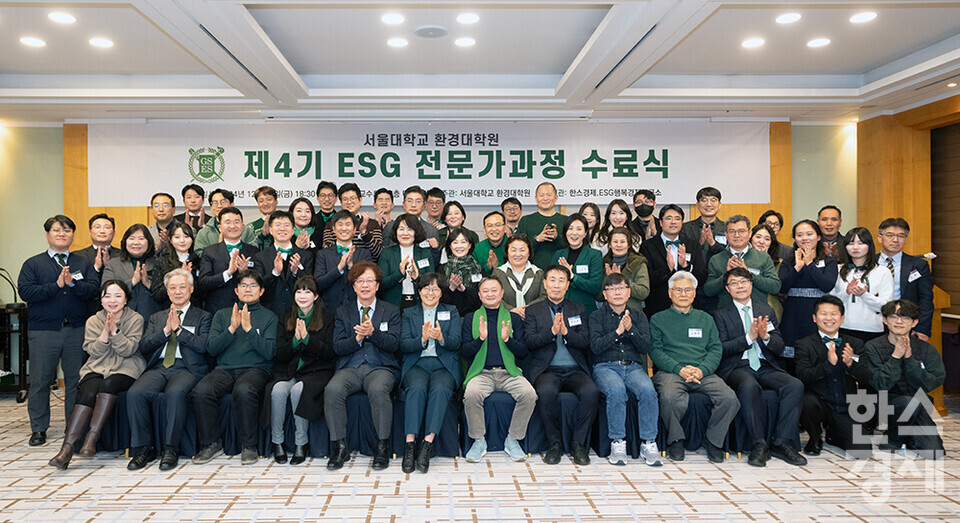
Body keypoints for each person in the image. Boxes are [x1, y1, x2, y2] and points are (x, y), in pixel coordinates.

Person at [19, 215, 100, 447]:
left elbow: (93, 289)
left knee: (75, 381)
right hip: (44, 331)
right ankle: (39, 428)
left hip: (76, 330)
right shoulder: (33, 264)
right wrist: (56, 286)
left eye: (67, 230)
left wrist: (73, 284)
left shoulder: (83, 262)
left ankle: (71, 427)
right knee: (40, 381)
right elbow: (27, 292)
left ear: (73, 235)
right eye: (56, 230)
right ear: (47, 234)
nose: (62, 234)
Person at [713, 268, 806, 467]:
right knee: (749, 385)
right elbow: (721, 349)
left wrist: (765, 337)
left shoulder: (766, 311)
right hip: (738, 366)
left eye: (743, 281)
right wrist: (749, 338)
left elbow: (779, 347)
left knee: (794, 385)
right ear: (728, 289)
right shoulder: (721, 315)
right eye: (734, 283)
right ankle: (759, 443)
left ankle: (781, 441)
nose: (740, 286)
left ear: (751, 284)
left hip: (765, 365)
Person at [49, 280, 144, 469]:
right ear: (101, 300)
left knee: (108, 385)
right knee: (88, 391)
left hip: (126, 367)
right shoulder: (93, 320)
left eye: (118, 296)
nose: (112, 300)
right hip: (97, 366)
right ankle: (66, 450)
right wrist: (104, 335)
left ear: (126, 300)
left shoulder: (136, 319)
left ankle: (92, 438)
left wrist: (115, 332)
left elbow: (128, 350)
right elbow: (93, 352)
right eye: (107, 295)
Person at [649, 271, 739, 463]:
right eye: (678, 290)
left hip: (702, 372)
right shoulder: (658, 319)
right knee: (670, 396)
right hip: (670, 372)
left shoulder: (706, 318)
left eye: (687, 290)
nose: (683, 294)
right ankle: (676, 440)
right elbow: (655, 352)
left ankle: (713, 440)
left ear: (695, 293)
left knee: (729, 398)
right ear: (669, 293)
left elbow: (715, 349)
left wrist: (702, 370)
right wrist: (679, 369)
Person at [126, 269, 211, 471]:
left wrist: (179, 331)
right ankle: (144, 448)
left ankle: (170, 449)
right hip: (159, 367)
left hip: (187, 369)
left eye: (182, 287)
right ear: (167, 291)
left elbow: (204, 346)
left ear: (191, 289)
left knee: (175, 393)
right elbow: (144, 346)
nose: (178, 291)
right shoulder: (157, 317)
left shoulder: (203, 316)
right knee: (135, 393)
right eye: (173, 288)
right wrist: (165, 331)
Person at [192, 270, 278, 466]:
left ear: (262, 291)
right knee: (201, 390)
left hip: (256, 369)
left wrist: (248, 330)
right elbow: (212, 349)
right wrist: (231, 329)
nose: (248, 289)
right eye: (243, 286)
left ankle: (249, 446)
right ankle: (211, 443)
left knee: (244, 389)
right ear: (236, 291)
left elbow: (269, 352)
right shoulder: (223, 315)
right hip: (225, 369)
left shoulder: (269, 317)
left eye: (253, 286)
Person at [325, 262, 401, 471]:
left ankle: (382, 447)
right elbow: (338, 347)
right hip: (351, 366)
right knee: (332, 389)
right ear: (354, 286)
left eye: (369, 281)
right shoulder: (343, 312)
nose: (365, 285)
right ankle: (340, 447)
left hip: (381, 368)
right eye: (360, 281)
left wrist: (373, 334)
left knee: (378, 390)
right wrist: (357, 338)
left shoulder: (391, 311)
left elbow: (394, 344)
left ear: (377, 286)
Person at [522, 265, 597, 465]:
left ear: (567, 285)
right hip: (547, 370)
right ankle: (554, 444)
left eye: (561, 280)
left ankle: (578, 444)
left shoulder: (578, 308)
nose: (556, 285)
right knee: (545, 392)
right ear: (544, 284)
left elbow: (584, 341)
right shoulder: (533, 310)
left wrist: (566, 333)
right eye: (552, 280)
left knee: (591, 392)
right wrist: (551, 333)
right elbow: (530, 342)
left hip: (574, 369)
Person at [589, 273, 660, 467]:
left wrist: (632, 330)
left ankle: (649, 442)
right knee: (616, 391)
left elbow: (645, 346)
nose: (617, 292)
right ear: (605, 294)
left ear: (629, 292)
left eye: (621, 288)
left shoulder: (638, 315)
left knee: (648, 391)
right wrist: (618, 332)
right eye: (612, 289)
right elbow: (595, 346)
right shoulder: (596, 316)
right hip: (605, 367)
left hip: (633, 367)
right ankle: (617, 442)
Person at [264, 276, 336, 465]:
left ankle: (300, 443)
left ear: (316, 296)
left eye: (307, 291)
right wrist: (295, 341)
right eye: (298, 291)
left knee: (298, 391)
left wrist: (307, 340)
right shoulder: (286, 316)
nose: (302, 295)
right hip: (289, 370)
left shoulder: (328, 319)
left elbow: (330, 352)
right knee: (278, 391)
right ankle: (277, 441)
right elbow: (280, 354)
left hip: (316, 371)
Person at [461, 277, 534, 462]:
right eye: (485, 291)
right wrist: (480, 339)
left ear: (502, 293)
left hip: (508, 372)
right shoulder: (471, 319)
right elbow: (465, 352)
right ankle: (479, 441)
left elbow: (524, 352)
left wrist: (508, 340)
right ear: (479, 295)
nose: (490, 294)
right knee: (471, 394)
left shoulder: (513, 318)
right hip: (482, 373)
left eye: (494, 290)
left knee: (529, 394)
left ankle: (513, 439)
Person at [864, 300, 945, 459]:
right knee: (910, 402)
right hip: (883, 404)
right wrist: (895, 357)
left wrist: (909, 359)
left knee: (934, 451)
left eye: (906, 317)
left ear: (915, 322)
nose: (899, 321)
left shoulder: (926, 349)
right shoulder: (872, 347)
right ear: (885, 320)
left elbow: (931, 382)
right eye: (894, 317)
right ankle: (892, 439)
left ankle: (906, 435)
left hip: (917, 404)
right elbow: (880, 384)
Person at [399, 273, 462, 473]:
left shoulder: (451, 311)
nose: (430, 292)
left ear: (441, 293)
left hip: (443, 365)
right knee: (416, 388)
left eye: (435, 289)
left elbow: (456, 342)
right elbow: (403, 344)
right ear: (419, 292)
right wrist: (422, 339)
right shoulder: (409, 313)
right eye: (426, 288)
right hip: (417, 364)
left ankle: (427, 444)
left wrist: (442, 338)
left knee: (440, 389)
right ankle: (410, 445)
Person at [795, 295, 872, 458]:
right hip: (818, 403)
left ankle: (833, 435)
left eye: (834, 314)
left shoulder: (855, 343)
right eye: (823, 314)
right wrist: (828, 365)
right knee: (803, 399)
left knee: (862, 450)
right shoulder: (804, 344)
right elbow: (803, 376)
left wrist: (851, 364)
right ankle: (815, 437)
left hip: (845, 405)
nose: (829, 318)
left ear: (842, 318)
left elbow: (866, 377)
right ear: (814, 318)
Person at [779, 220, 839, 361]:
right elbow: (781, 287)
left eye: (809, 234)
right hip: (792, 314)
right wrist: (797, 268)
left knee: (817, 358)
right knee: (791, 359)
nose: (804, 238)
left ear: (818, 237)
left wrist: (810, 264)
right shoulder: (788, 262)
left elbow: (827, 285)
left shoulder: (829, 261)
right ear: (795, 239)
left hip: (818, 314)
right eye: (799, 235)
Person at [703, 215, 780, 313]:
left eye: (741, 231)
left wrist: (749, 274)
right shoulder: (716, 259)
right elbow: (708, 290)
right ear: (726, 234)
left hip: (758, 314)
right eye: (732, 231)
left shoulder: (763, 257)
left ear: (749, 233)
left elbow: (775, 286)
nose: (737, 235)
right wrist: (726, 275)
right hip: (727, 315)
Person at [639, 204, 706, 318]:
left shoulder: (692, 245)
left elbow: (702, 277)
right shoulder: (647, 246)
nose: (673, 222)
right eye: (669, 218)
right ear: (660, 222)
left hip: (688, 307)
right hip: (658, 307)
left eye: (677, 219)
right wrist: (668, 269)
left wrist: (686, 266)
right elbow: (647, 280)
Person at [831, 227, 893, 342]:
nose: (855, 247)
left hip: (873, 329)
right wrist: (847, 292)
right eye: (850, 243)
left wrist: (864, 295)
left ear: (869, 245)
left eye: (860, 243)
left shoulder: (883, 271)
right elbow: (830, 301)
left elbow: (886, 307)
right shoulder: (837, 270)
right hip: (843, 327)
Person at [877, 218, 934, 340]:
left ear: (906, 239)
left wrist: (922, 328)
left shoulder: (918, 265)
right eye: (890, 235)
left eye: (901, 236)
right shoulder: (869, 262)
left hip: (905, 325)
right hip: (873, 323)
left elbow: (926, 298)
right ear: (880, 237)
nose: (895, 240)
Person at [252, 210, 314, 319]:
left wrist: (296, 272)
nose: (282, 229)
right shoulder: (260, 257)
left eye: (286, 225)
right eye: (278, 225)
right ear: (270, 230)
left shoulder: (306, 255)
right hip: (270, 313)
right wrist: (274, 273)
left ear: (292, 230)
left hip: (298, 312)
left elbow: (312, 286)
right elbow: (258, 286)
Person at [198, 207, 261, 314]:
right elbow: (203, 283)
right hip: (218, 311)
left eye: (236, 222)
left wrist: (245, 273)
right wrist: (228, 273)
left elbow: (261, 282)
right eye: (228, 222)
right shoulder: (209, 251)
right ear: (220, 227)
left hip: (248, 310)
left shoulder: (254, 251)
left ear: (242, 226)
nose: (232, 226)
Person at [314, 210, 374, 312]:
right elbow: (318, 284)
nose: (344, 228)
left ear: (355, 229)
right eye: (340, 225)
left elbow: (369, 284)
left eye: (348, 224)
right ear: (333, 228)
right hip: (329, 311)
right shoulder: (323, 254)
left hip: (357, 309)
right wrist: (339, 268)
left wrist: (351, 267)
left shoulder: (364, 254)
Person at [103, 223, 160, 318]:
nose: (136, 242)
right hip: (122, 318)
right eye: (132, 238)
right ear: (125, 241)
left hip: (152, 318)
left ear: (149, 242)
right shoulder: (113, 264)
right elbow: (105, 291)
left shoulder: (159, 262)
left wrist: (148, 284)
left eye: (141, 239)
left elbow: (166, 293)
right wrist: (132, 282)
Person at [550, 214, 603, 315]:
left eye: (579, 229)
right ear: (565, 232)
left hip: (585, 311)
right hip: (559, 310)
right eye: (570, 229)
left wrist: (572, 276)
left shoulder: (594, 255)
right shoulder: (558, 254)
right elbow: (550, 282)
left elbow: (595, 287)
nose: (574, 233)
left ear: (585, 233)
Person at [378, 213, 434, 309]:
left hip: (419, 303)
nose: (405, 233)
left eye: (410, 229)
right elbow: (381, 284)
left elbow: (432, 283)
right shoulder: (387, 253)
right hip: (393, 304)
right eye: (401, 229)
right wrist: (399, 274)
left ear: (416, 232)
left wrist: (417, 277)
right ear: (396, 231)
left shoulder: (425, 253)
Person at [321, 183, 383, 261]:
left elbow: (379, 253)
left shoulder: (372, 224)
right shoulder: (331, 224)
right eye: (345, 199)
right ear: (341, 202)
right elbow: (327, 250)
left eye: (352, 198)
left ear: (360, 200)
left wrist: (364, 233)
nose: (349, 202)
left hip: (366, 269)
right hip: (338, 268)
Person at [150, 221, 201, 309]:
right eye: (177, 237)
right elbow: (157, 295)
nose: (182, 241)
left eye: (186, 236)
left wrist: (190, 279)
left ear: (192, 239)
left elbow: (203, 294)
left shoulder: (199, 261)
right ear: (170, 240)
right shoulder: (161, 261)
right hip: (168, 310)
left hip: (194, 312)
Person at [493, 234, 546, 317]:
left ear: (529, 252)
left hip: (533, 319)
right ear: (507, 252)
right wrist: (511, 310)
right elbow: (493, 296)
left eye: (522, 250)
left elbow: (544, 296)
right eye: (513, 250)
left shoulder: (539, 273)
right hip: (505, 319)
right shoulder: (498, 273)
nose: (518, 254)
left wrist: (528, 309)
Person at [516, 182, 567, 269]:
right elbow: (517, 248)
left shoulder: (566, 220)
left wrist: (557, 237)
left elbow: (572, 249)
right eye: (541, 195)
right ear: (536, 198)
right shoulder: (526, 220)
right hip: (531, 274)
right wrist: (537, 239)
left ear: (556, 198)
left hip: (560, 274)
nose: (545, 198)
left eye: (549, 195)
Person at [600, 227, 650, 312]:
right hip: (608, 314)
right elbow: (599, 296)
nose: (619, 245)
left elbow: (643, 292)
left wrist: (621, 278)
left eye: (622, 242)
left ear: (629, 244)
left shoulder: (638, 262)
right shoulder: (604, 263)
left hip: (633, 313)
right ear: (610, 245)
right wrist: (608, 279)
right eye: (615, 242)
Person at [193, 189, 256, 256]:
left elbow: (254, 250)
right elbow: (199, 253)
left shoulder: (246, 230)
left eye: (223, 202)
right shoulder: (204, 233)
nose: (219, 206)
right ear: (211, 207)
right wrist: (219, 250)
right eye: (215, 202)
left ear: (232, 204)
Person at [440, 228, 483, 317]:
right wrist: (451, 288)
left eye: (463, 242)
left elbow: (480, 300)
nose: (459, 246)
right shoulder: (442, 269)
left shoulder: (478, 269)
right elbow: (439, 300)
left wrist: (464, 289)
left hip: (473, 316)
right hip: (448, 316)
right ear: (450, 246)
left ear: (470, 245)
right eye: (455, 242)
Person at [681, 187, 727, 265]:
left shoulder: (727, 228)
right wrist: (700, 244)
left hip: (719, 273)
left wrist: (713, 244)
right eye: (704, 200)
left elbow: (729, 254)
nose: (708, 204)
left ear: (719, 205)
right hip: (693, 273)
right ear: (698, 205)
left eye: (713, 200)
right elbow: (684, 254)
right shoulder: (685, 228)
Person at [749, 223, 784, 320]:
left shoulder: (780, 264)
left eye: (767, 239)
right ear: (750, 238)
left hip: (772, 312)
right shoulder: (743, 261)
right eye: (758, 237)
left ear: (771, 243)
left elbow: (779, 289)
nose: (761, 242)